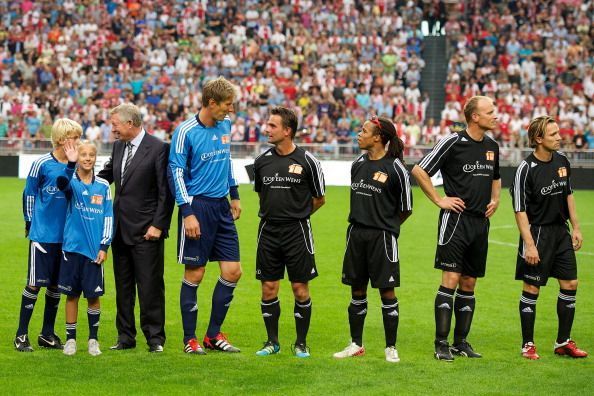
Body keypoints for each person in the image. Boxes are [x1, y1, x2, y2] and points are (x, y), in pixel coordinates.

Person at [411, 95, 501, 361]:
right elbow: (419, 170)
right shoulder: (452, 141)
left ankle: (461, 342)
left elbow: (496, 177)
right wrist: (440, 199)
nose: (495, 116)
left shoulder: (492, 146)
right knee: (450, 280)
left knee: (469, 282)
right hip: (455, 222)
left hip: (480, 223)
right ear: (475, 116)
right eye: (490, 111)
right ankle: (441, 343)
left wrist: (495, 200)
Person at [169, 77, 242, 355]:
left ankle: (213, 335)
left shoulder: (225, 125)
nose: (230, 110)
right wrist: (186, 212)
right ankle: (190, 339)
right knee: (196, 273)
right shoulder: (185, 131)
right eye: (226, 105)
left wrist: (233, 193)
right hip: (196, 207)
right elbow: (175, 171)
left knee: (233, 271)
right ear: (211, 103)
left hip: (221, 207)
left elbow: (227, 159)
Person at [333, 115, 412, 363]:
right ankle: (356, 344)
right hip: (356, 235)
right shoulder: (358, 163)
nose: (359, 133)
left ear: (378, 137)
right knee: (357, 290)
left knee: (387, 292)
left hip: (383, 238)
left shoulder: (396, 169)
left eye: (363, 130)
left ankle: (391, 347)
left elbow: (406, 208)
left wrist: (386, 227)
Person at [510, 115, 588, 360]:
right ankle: (527, 345)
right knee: (532, 287)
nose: (560, 137)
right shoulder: (525, 169)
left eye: (558, 133)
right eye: (553, 134)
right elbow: (519, 210)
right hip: (537, 233)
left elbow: (569, 195)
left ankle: (562, 342)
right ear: (538, 139)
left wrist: (576, 227)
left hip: (560, 232)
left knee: (570, 284)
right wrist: (530, 245)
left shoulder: (562, 161)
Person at [97, 103, 173, 353]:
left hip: (147, 231)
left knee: (150, 286)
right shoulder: (119, 146)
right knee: (124, 287)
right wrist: (80, 174)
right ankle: (125, 337)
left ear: (130, 123)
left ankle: (155, 339)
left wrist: (158, 225)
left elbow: (166, 191)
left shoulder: (159, 148)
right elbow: (106, 175)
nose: (113, 129)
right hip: (120, 230)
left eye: (115, 124)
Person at [252, 106, 326, 358]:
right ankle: (272, 342)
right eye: (267, 124)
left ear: (287, 131)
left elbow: (319, 199)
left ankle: (301, 343)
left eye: (272, 126)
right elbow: (262, 195)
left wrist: (297, 215)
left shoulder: (308, 162)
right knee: (268, 287)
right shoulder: (261, 162)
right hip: (268, 232)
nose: (266, 129)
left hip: (297, 232)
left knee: (300, 289)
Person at [15, 118, 82, 352]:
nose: (78, 142)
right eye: (75, 137)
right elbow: (30, 194)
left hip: (67, 237)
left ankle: (47, 333)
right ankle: (21, 335)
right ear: (62, 139)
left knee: (55, 287)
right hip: (43, 235)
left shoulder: (77, 166)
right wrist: (30, 222)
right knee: (34, 284)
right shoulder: (41, 164)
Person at [57, 140, 113, 356]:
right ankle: (70, 340)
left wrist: (104, 246)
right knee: (71, 296)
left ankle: (93, 339)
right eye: (83, 155)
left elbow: (108, 216)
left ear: (96, 157)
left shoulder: (103, 185)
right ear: (78, 158)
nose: (88, 158)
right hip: (72, 248)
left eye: (91, 154)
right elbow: (61, 183)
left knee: (93, 296)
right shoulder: (71, 182)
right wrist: (70, 163)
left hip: (94, 252)